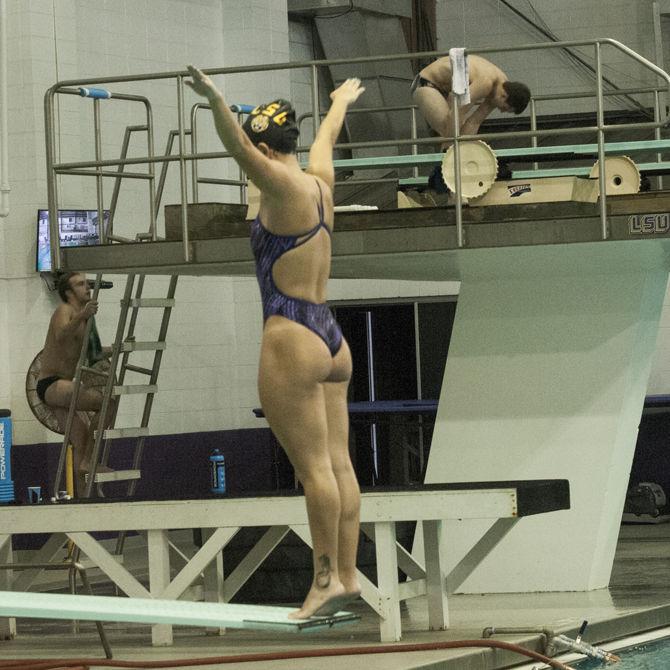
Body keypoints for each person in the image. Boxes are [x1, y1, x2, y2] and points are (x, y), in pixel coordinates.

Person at [186, 65, 364, 619]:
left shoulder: (281, 185)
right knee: (340, 465)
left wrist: (216, 98)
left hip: (289, 334)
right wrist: (338, 102)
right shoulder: (317, 181)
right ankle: (351, 574)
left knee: (313, 471)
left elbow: (238, 148)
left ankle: (324, 580)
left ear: (267, 147)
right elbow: (326, 138)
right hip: (331, 338)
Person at [37, 272, 113, 495]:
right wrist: (82, 315)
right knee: (107, 402)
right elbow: (61, 335)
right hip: (50, 384)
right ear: (69, 292)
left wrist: (118, 347)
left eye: (87, 284)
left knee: (79, 441)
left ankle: (82, 498)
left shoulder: (88, 318)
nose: (87, 288)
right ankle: (89, 460)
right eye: (81, 285)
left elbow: (95, 354)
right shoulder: (65, 310)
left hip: (63, 385)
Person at [411, 53, 530, 142]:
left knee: (457, 133)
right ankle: (444, 168)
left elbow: (474, 122)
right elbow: (456, 113)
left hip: (447, 91)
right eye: (505, 108)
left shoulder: (500, 88)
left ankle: (452, 164)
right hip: (426, 83)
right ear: (504, 96)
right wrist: (455, 149)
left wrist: (468, 147)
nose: (501, 111)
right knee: (447, 130)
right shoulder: (486, 83)